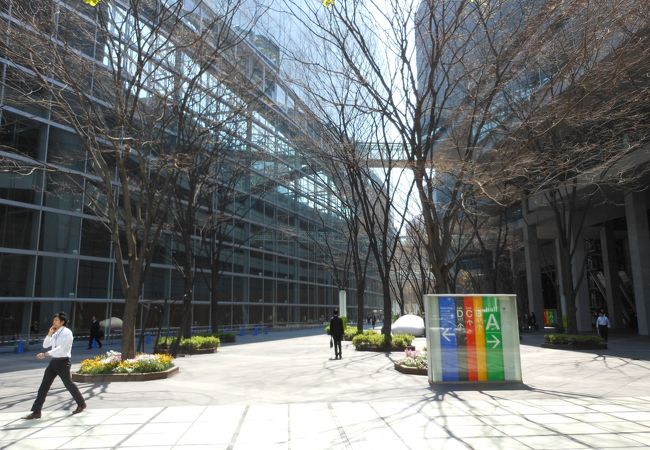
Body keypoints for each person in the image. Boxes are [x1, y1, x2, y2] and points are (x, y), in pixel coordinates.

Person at [22, 312, 86, 420]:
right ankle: (36, 412)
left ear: (62, 322)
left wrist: (45, 354)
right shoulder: (55, 333)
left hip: (63, 363)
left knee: (69, 384)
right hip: (54, 362)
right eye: (54, 320)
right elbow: (45, 345)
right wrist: (49, 334)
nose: (54, 322)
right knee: (44, 386)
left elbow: (60, 348)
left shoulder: (67, 333)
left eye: (56, 320)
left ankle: (81, 403)